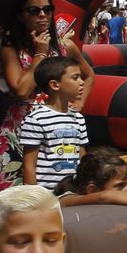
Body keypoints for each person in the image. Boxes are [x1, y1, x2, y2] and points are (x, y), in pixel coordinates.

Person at [0, 0, 92, 194]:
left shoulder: (65, 46)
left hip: (57, 124)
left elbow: (88, 74)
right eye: (33, 10)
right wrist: (39, 54)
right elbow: (21, 90)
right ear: (20, 15)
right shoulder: (10, 49)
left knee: (58, 184)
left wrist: (78, 103)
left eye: (47, 10)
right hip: (21, 126)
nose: (42, 15)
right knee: (15, 192)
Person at [20, 58, 89, 190]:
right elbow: (29, 166)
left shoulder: (78, 118)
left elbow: (82, 158)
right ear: (55, 85)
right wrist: (33, 198)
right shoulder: (36, 119)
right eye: (75, 78)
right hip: (46, 193)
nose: (82, 82)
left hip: (73, 190)